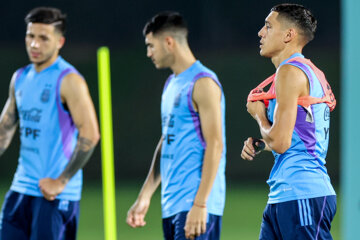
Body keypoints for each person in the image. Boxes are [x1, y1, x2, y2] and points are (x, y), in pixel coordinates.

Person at [0, 7, 99, 240]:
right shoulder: (20, 77)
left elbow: (91, 134)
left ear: (59, 42)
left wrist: (61, 181)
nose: (34, 44)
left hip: (54, 196)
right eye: (30, 36)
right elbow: (5, 127)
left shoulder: (69, 80)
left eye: (43, 38)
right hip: (21, 188)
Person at [126, 11, 226, 240]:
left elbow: (216, 145)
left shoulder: (203, 82)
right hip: (172, 204)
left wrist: (200, 204)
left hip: (195, 205)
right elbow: (167, 140)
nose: (148, 53)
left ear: (168, 42)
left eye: (151, 46)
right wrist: (145, 194)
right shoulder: (172, 84)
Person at [241, 3, 337, 240]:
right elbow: (299, 136)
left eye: (268, 26)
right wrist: (261, 144)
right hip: (285, 195)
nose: (260, 33)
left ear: (288, 35)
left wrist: (258, 115)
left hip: (302, 193)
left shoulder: (289, 72)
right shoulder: (308, 71)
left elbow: (281, 142)